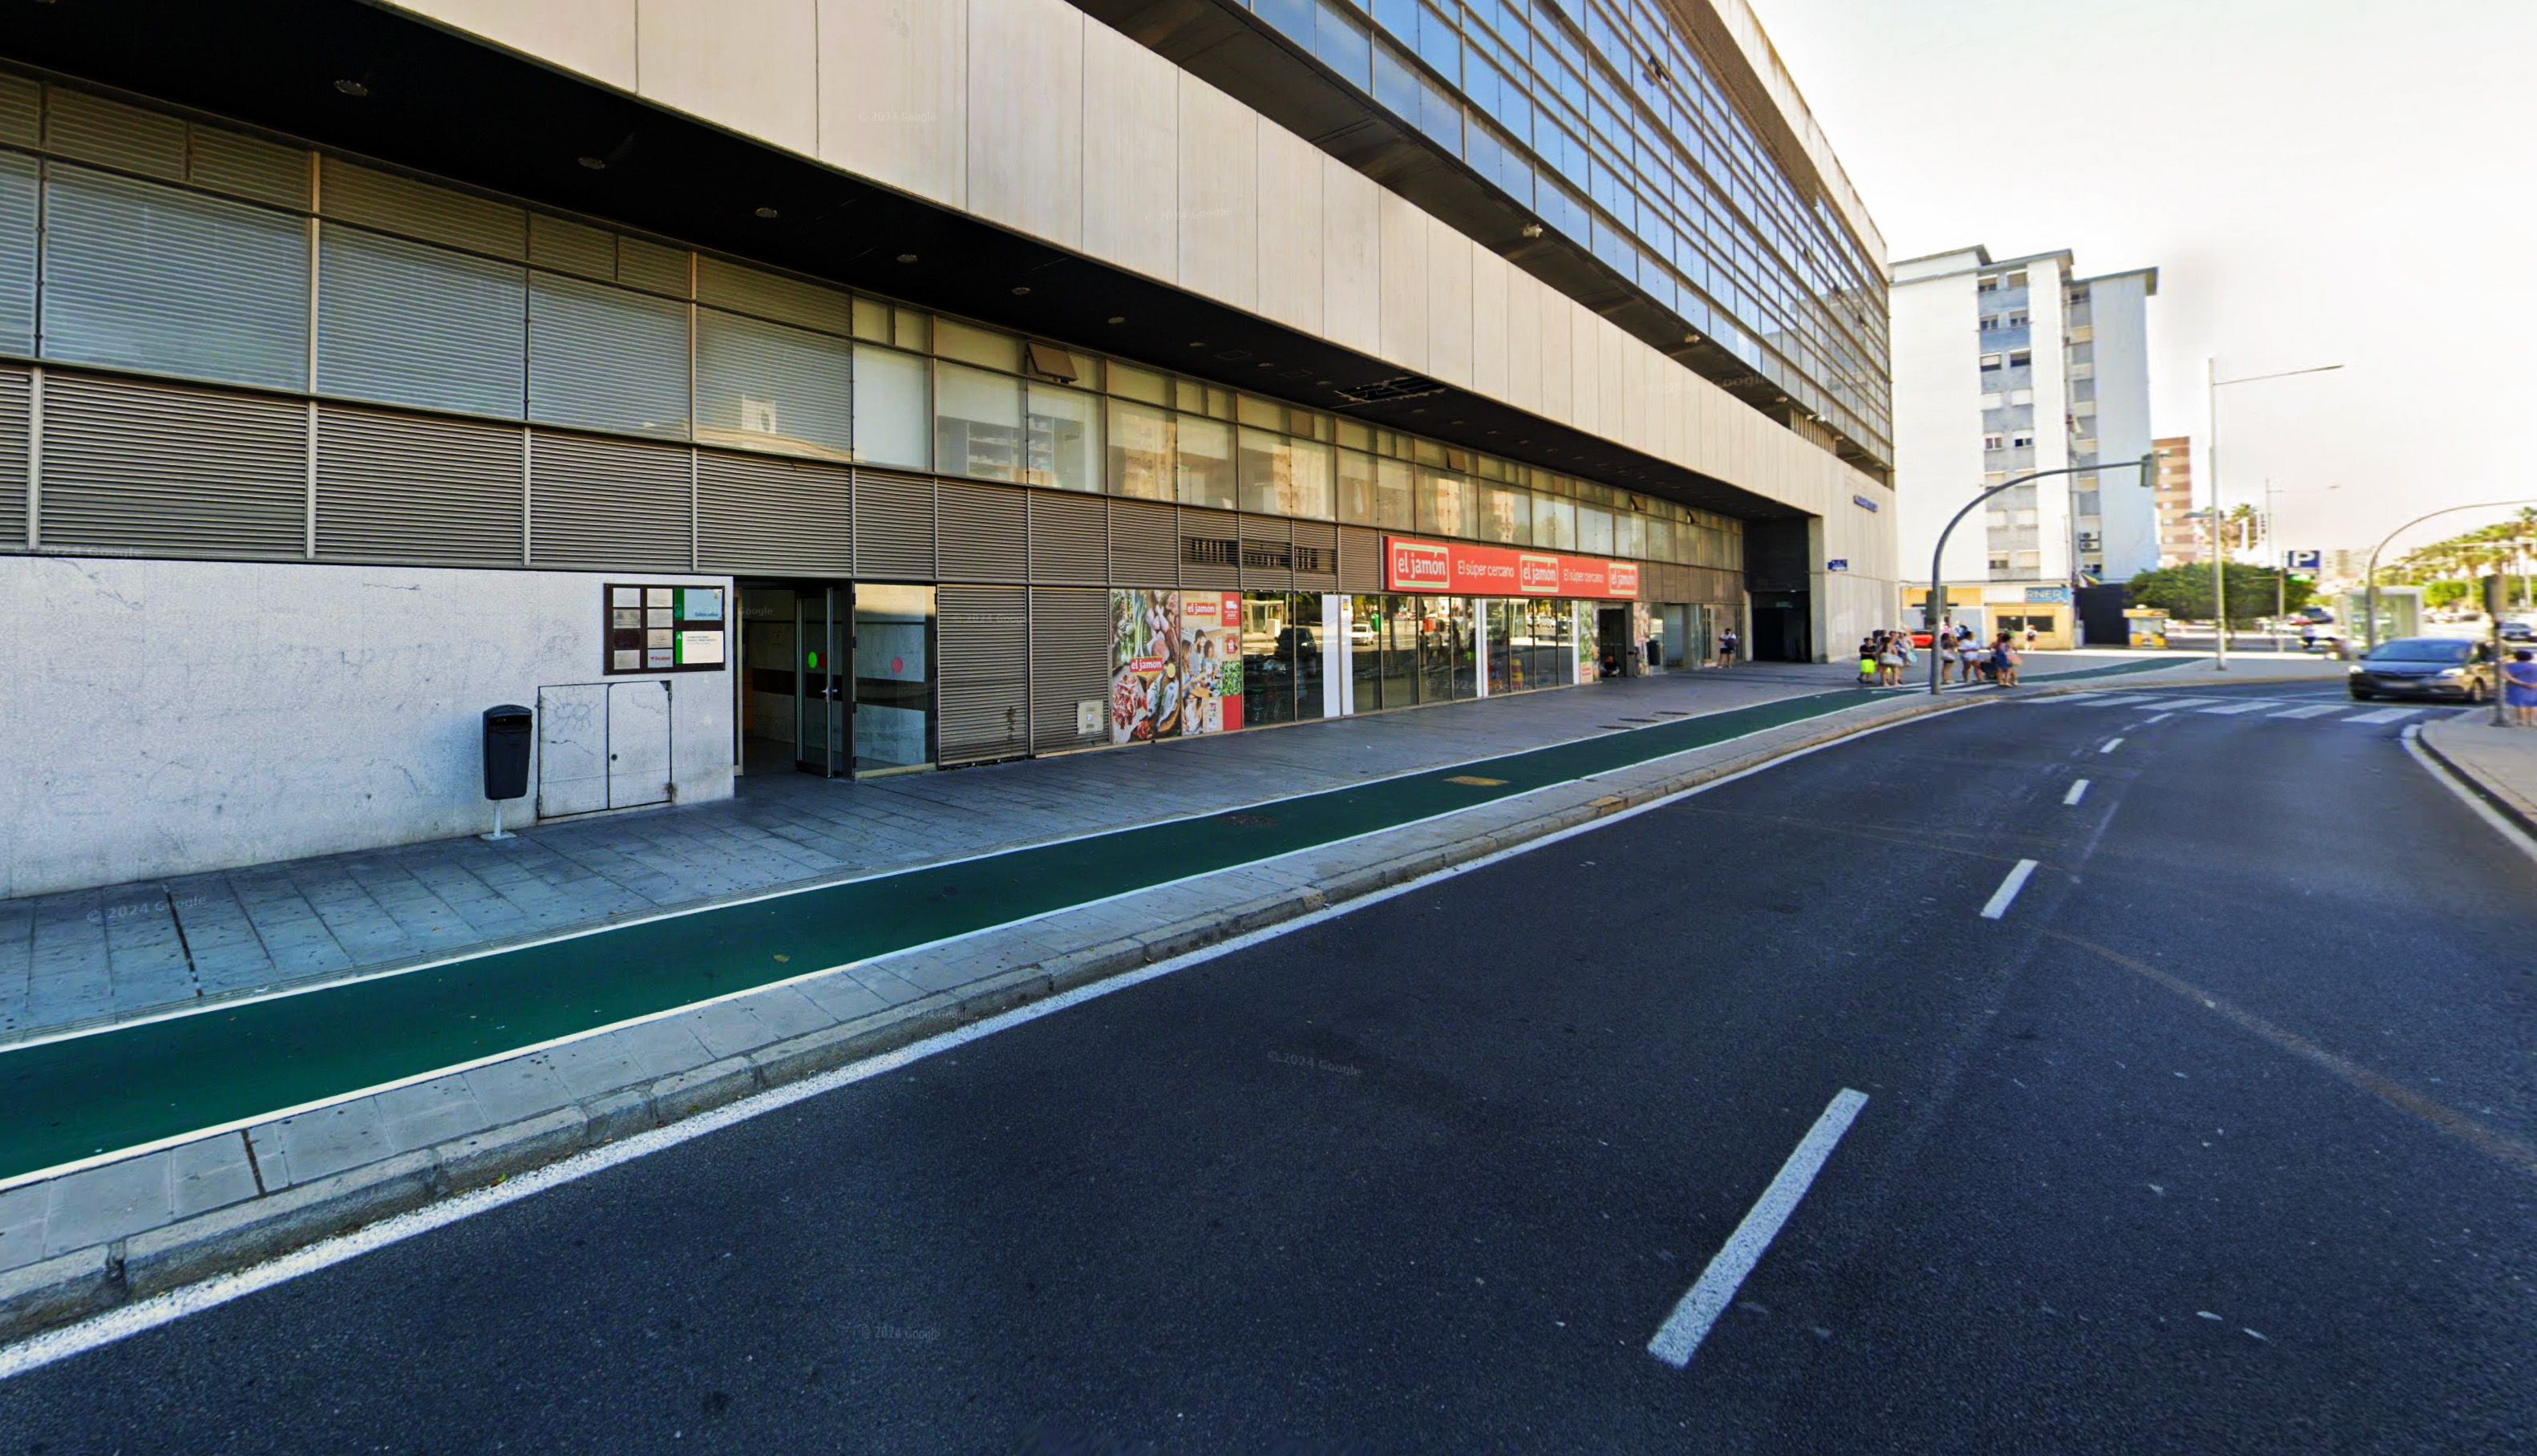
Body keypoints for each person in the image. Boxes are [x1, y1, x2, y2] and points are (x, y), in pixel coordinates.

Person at [2505, 649, 2537, 728]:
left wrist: (2523, 684)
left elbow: (2508, 676)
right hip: (2534, 687)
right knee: (2532, 704)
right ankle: (2531, 721)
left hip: (2517, 687)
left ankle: (2521, 721)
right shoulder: (2535, 666)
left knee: (2520, 704)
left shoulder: (2511, 666)